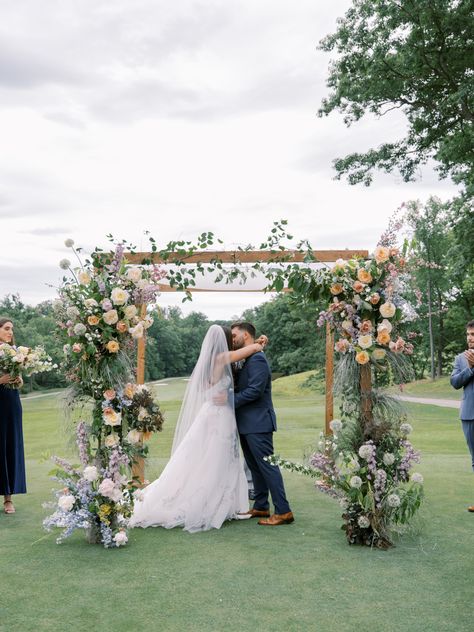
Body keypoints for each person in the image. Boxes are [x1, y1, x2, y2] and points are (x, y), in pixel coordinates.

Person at [130, 324, 265, 532]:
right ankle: (213, 500)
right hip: (219, 415)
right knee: (216, 457)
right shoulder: (221, 358)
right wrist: (260, 343)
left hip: (214, 412)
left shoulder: (215, 360)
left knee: (211, 456)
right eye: (232, 336)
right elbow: (253, 349)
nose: (234, 339)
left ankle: (222, 500)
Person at [231, 321, 294, 526]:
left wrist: (228, 401)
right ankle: (261, 506)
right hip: (247, 423)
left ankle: (283, 511)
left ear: (246, 336)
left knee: (268, 466)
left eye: (234, 335)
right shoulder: (248, 357)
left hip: (258, 422)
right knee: (254, 466)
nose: (232, 340)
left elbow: (255, 391)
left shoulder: (257, 359)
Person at [0, 318, 26, 514]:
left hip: (11, 402)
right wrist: (2, 379)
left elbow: (20, 382)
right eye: (6, 329)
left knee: (10, 446)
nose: (10, 332)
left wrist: (17, 380)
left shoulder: (15, 352)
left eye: (11, 330)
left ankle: (8, 499)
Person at [450, 319, 474, 512]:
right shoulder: (460, 358)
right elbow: (455, 382)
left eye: (473, 335)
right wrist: (471, 368)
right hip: (469, 415)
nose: (470, 338)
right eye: (468, 334)